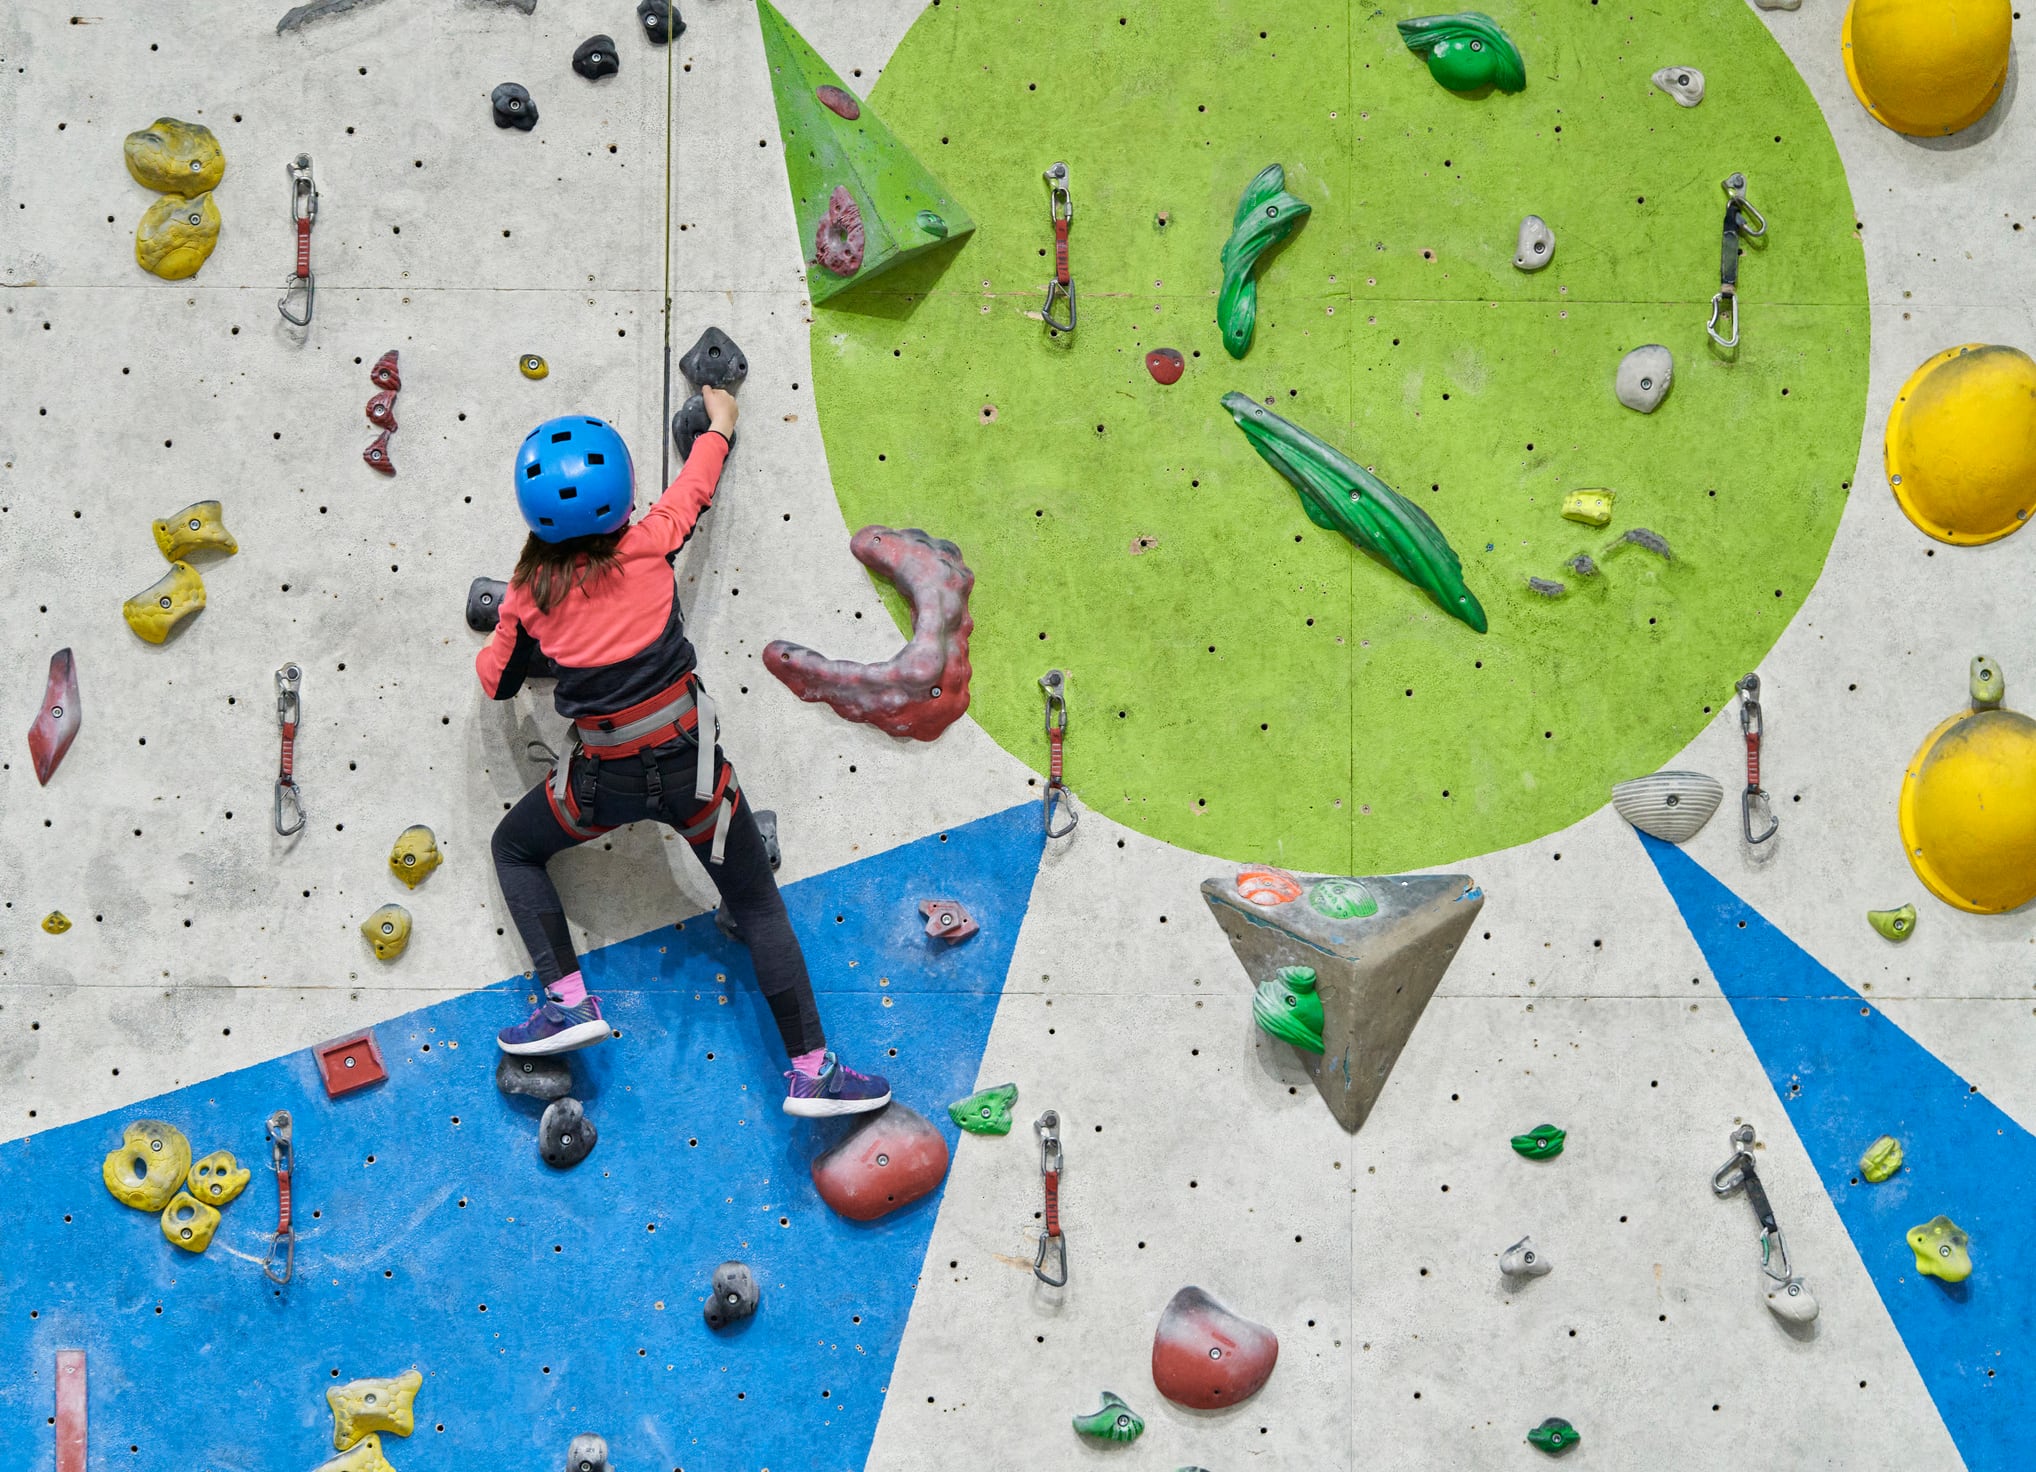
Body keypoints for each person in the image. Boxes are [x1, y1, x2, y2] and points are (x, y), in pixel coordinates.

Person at [475, 389, 890, 1118]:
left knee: (514, 849)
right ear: (623, 498)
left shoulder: (528, 595)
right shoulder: (651, 539)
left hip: (599, 783)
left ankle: (568, 1003)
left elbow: (496, 680)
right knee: (756, 904)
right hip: (696, 777)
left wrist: (519, 625)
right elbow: (696, 483)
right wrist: (721, 420)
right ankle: (811, 1071)